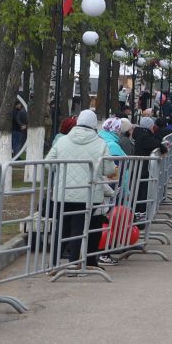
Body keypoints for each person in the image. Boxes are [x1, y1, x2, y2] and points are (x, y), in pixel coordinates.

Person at [47, 109, 115, 264]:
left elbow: (48, 163)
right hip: (88, 194)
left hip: (63, 192)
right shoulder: (100, 143)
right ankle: (73, 263)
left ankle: (54, 263)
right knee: (79, 227)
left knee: (62, 227)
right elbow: (109, 170)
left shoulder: (62, 141)